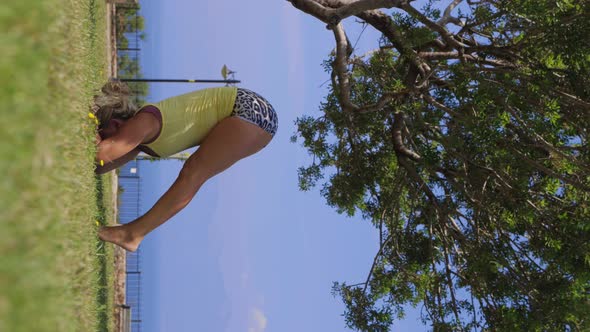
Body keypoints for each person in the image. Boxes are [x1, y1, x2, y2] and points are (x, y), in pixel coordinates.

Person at [93, 81, 278, 252]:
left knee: (194, 171)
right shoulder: (140, 143)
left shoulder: (143, 123)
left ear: (116, 123)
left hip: (250, 110)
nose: (102, 137)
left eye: (102, 133)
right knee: (194, 171)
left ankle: (131, 234)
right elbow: (99, 165)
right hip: (258, 121)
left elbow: (101, 153)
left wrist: (96, 139)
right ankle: (131, 234)